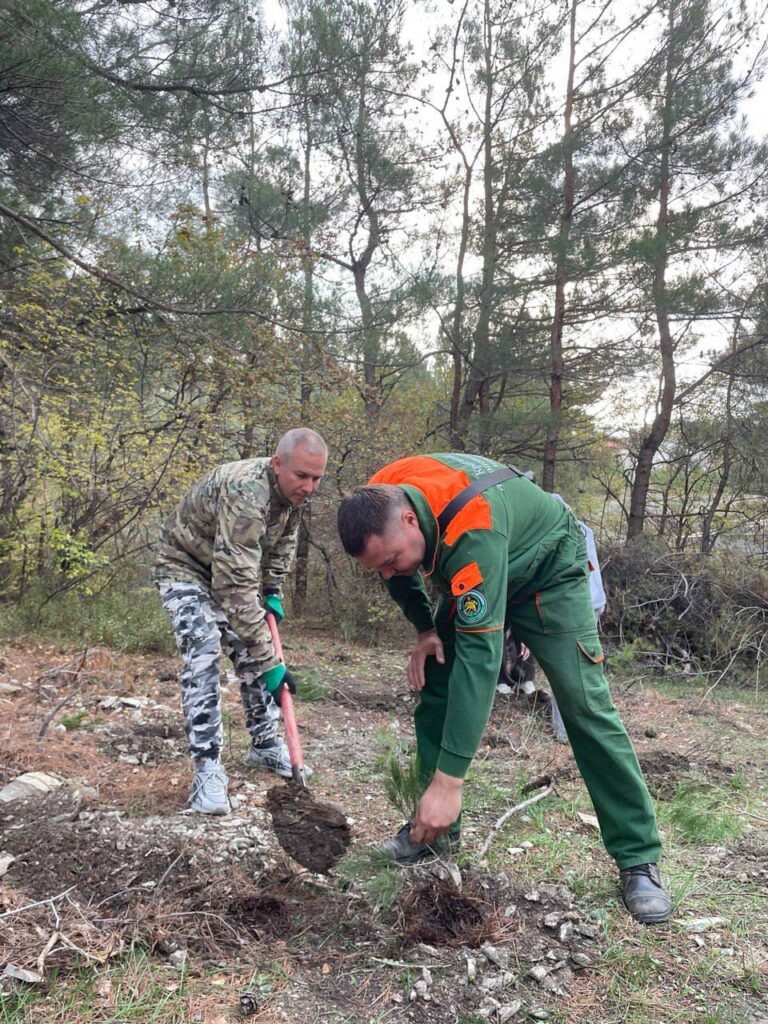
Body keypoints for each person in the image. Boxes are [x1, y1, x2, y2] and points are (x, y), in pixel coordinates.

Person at [337, 452, 672, 924]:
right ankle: (434, 836)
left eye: (393, 560)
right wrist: (423, 629)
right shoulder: (381, 496)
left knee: (584, 705)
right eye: (379, 567)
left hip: (548, 573)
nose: (391, 572)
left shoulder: (471, 531)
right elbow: (396, 571)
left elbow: (481, 661)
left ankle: (639, 857)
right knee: (437, 679)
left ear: (410, 519)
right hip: (482, 567)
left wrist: (449, 782)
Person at [154, 428, 328, 815]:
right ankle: (208, 769)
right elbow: (233, 586)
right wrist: (273, 665)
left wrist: (272, 590)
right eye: (302, 476)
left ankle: (265, 746)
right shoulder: (247, 492)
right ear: (277, 464)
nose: (310, 486)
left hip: (229, 569)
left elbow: (283, 542)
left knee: (253, 649)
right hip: (186, 567)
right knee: (203, 651)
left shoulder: (295, 495)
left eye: (317, 478)